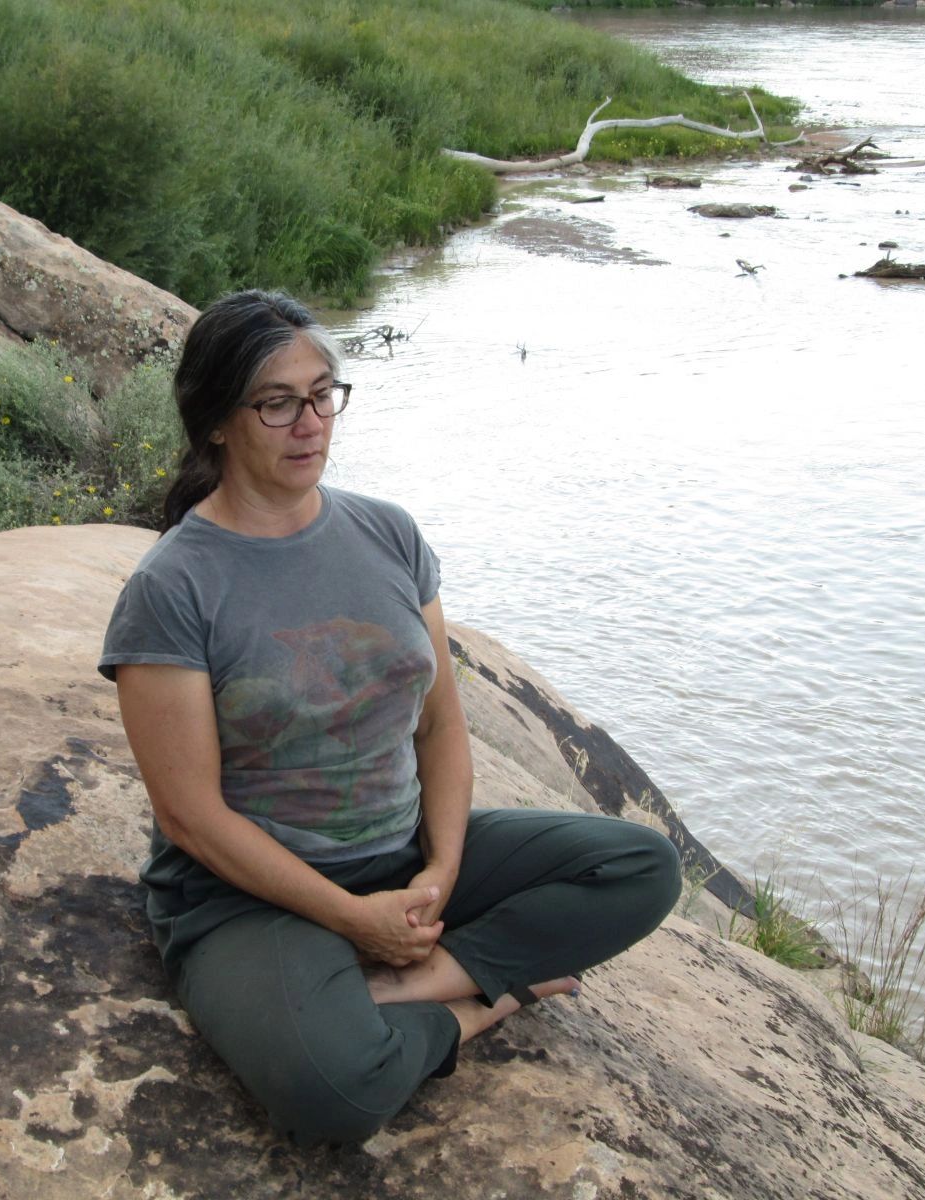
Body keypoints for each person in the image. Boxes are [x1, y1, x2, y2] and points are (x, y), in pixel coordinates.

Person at [98, 290, 680, 1145]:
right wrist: (350, 919)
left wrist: (440, 869)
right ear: (217, 421)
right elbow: (192, 816)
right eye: (278, 403)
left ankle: (416, 982)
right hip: (252, 896)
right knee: (332, 1089)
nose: (310, 424)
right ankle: (478, 1005)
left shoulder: (389, 534)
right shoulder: (173, 588)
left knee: (640, 866)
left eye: (323, 393)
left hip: (402, 855)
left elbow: (441, 726)